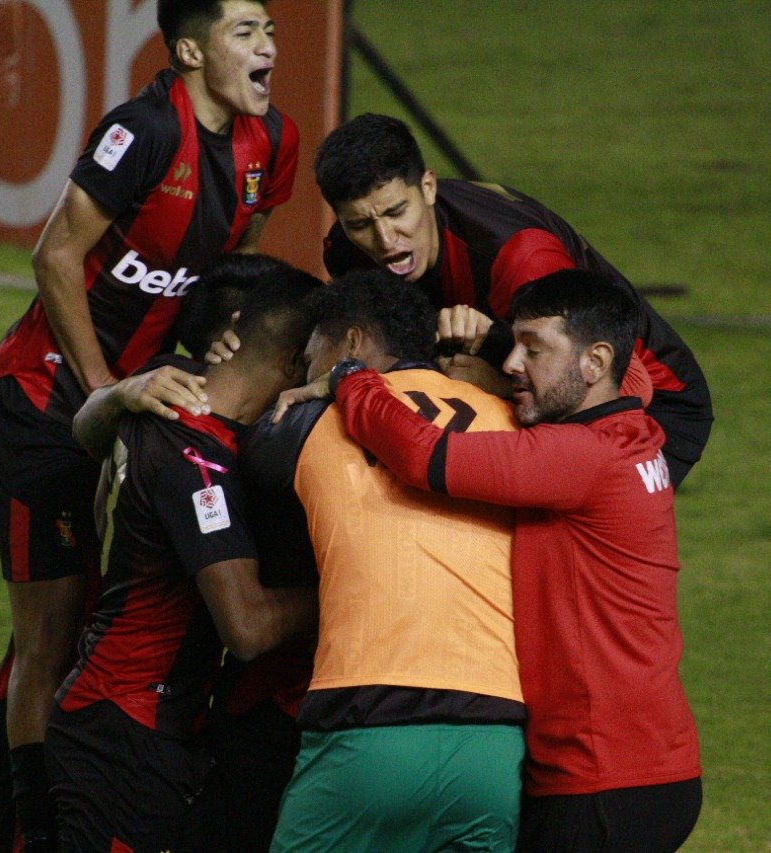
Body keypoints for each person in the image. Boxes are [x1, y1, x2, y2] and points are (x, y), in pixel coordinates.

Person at [0, 0, 298, 847]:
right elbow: (54, 253)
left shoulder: (272, 143)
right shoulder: (146, 132)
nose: (266, 45)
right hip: (43, 398)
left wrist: (215, 331)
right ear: (189, 51)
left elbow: (229, 272)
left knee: (86, 619)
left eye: (269, 29)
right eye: (243, 32)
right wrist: (106, 392)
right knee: (49, 632)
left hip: (138, 395)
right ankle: (33, 831)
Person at [324, 268, 703, 852]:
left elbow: (425, 457)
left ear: (595, 362)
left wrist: (353, 379)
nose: (509, 364)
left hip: (600, 778)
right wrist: (501, 347)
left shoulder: (580, 456)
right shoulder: (632, 427)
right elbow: (633, 378)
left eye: (533, 350)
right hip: (647, 766)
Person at [46, 260, 320, 852]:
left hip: (123, 711)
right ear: (294, 361)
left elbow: (86, 433)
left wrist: (113, 394)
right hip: (129, 724)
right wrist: (357, 590)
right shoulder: (198, 462)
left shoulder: (165, 385)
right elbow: (247, 627)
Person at [249, 270, 526, 852]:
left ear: (350, 344)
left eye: (310, 358)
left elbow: (236, 455)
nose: (302, 376)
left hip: (366, 722)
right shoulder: (513, 421)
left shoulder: (307, 420)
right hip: (494, 742)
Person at [315, 112, 711, 488]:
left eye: (397, 212)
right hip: (528, 368)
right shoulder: (347, 254)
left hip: (651, 402)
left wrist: (499, 382)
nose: (385, 240)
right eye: (360, 224)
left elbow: (624, 387)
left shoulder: (520, 256)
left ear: (428, 187)